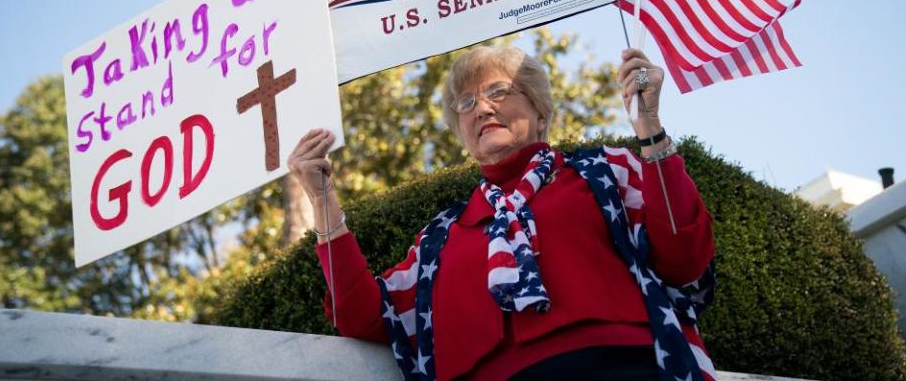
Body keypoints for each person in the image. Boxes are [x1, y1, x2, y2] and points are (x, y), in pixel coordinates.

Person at [288, 45, 715, 381]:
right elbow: (360, 316)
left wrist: (649, 126)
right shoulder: (439, 238)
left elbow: (683, 255)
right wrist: (322, 199)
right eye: (467, 103)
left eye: (497, 92)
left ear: (540, 110)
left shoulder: (605, 171)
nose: (482, 108)